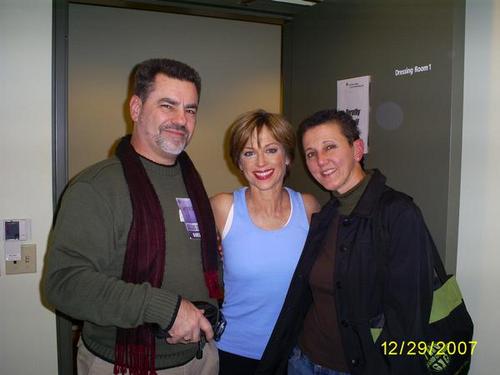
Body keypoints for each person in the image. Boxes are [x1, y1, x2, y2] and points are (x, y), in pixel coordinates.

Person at [44, 58, 223, 375]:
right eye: (168, 105)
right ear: (136, 108)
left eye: (191, 109)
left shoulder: (192, 182)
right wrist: (165, 309)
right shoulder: (96, 187)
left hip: (201, 357)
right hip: (128, 364)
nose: (181, 119)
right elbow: (64, 283)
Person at [257, 110, 435, 375]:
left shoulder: (397, 213)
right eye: (310, 153)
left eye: (330, 146)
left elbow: (409, 319)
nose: (321, 161)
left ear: (357, 149)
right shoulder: (326, 215)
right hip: (303, 360)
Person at [210, 110, 320, 375]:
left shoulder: (308, 207)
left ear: (288, 157)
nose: (260, 162)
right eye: (249, 153)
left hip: (297, 353)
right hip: (235, 352)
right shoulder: (222, 207)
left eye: (271, 150)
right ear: (239, 162)